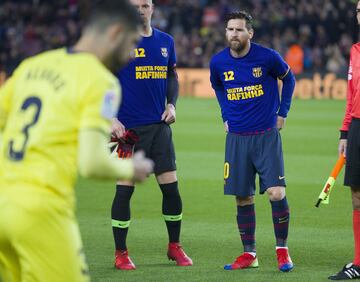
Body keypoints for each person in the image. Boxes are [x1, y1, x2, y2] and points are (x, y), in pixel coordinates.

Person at [0, 1, 154, 281]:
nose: (131, 54)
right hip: (41, 211)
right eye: (131, 42)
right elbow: (92, 163)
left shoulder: (32, 66)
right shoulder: (99, 81)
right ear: (115, 32)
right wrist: (131, 168)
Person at [209, 11, 296, 272]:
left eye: (239, 29)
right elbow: (218, 88)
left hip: (265, 135)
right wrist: (225, 114)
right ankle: (250, 254)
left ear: (250, 33)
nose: (234, 34)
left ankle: (282, 251)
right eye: (230, 30)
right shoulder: (218, 62)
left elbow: (289, 79)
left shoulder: (268, 57)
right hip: (236, 137)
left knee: (276, 192)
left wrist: (283, 112)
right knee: (242, 197)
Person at [110, 0, 192, 270]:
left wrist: (172, 105)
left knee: (171, 190)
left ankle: (174, 247)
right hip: (128, 132)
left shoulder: (165, 41)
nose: (140, 10)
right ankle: (121, 253)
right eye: (134, 6)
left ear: (152, 9)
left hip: (159, 129)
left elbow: (172, 77)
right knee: (124, 191)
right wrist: (110, 118)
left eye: (144, 5)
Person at [328, 1, 360, 280]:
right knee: (357, 196)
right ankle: (359, 262)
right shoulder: (355, 51)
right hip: (358, 127)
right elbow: (351, 95)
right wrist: (345, 132)